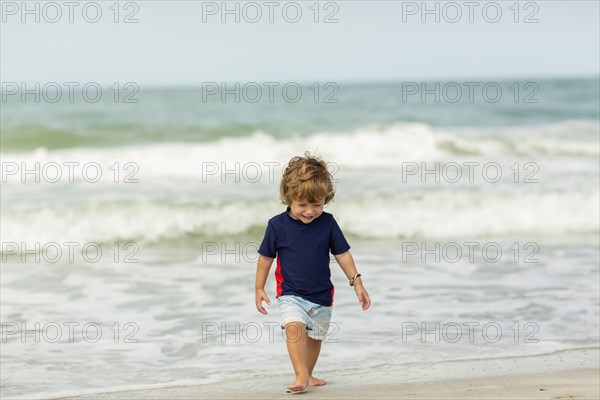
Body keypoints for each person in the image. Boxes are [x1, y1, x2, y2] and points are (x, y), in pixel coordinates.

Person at [255, 151, 371, 393]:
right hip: (290, 293)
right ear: (288, 198)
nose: (309, 211)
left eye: (316, 205)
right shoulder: (276, 226)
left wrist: (356, 281)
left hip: (321, 295)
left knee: (316, 337)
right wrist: (259, 287)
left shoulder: (328, 223)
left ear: (325, 200)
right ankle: (300, 375)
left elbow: (342, 255)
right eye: (302, 205)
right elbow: (266, 258)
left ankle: (308, 371)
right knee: (294, 327)